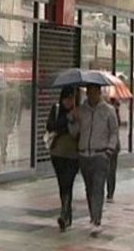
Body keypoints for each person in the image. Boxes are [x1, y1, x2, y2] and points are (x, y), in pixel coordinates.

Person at [77, 84, 118, 237]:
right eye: (88, 93)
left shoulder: (108, 110)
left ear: (99, 93)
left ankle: (96, 220)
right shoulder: (82, 110)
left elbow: (114, 132)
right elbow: (75, 131)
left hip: (100, 155)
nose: (90, 96)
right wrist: (72, 119)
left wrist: (109, 149)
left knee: (98, 187)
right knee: (89, 188)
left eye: (93, 93)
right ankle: (92, 215)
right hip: (84, 155)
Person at [47, 86, 79, 232]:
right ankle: (66, 213)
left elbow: (79, 131)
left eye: (72, 98)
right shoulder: (57, 109)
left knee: (68, 182)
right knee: (62, 184)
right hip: (57, 153)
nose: (69, 101)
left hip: (73, 155)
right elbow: (50, 126)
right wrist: (66, 119)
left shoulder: (79, 110)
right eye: (67, 98)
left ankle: (64, 214)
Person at [106, 97, 121, 203]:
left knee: (110, 170)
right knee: (110, 170)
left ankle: (110, 193)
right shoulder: (113, 111)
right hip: (110, 146)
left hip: (111, 146)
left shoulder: (112, 112)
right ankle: (110, 194)